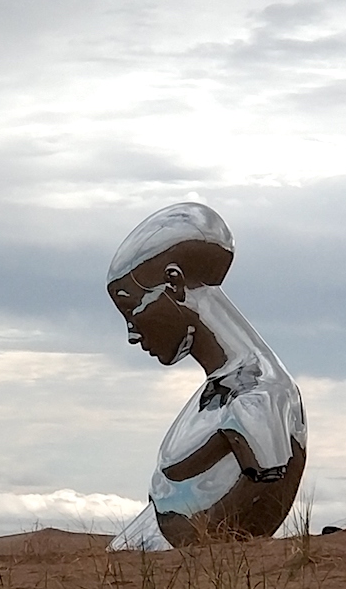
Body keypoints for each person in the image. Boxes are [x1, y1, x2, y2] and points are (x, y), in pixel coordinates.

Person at [106, 202, 307, 549]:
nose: (132, 333)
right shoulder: (221, 391)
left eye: (131, 308)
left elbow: (264, 490)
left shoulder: (257, 394)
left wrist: (186, 545)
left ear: (174, 282)